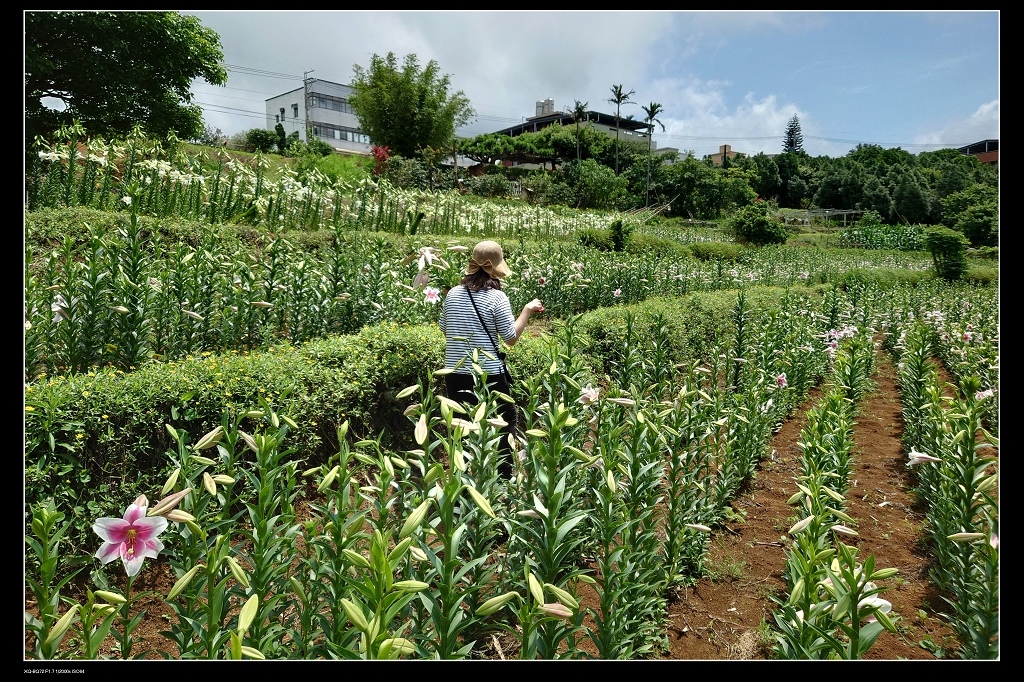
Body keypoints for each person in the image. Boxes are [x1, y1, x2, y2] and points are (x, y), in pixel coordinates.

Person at [439, 240, 544, 478]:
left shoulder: (453, 293)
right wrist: (526, 310)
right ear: (495, 269)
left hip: (455, 373)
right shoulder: (497, 297)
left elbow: (445, 329)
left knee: (461, 426)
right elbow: (509, 338)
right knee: (506, 421)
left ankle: (463, 477)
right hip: (488, 373)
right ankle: (504, 476)